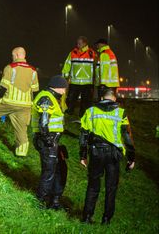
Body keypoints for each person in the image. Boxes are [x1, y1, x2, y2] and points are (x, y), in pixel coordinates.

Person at [79, 87, 135, 224]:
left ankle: (86, 217)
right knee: (111, 188)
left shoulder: (90, 111)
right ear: (115, 99)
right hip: (113, 155)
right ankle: (106, 220)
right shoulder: (121, 113)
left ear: (102, 98)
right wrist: (131, 158)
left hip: (96, 153)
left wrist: (83, 155)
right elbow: (127, 137)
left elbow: (83, 135)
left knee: (93, 186)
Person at [0, 47, 39, 156]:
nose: (12, 58)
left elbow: (2, 87)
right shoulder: (33, 70)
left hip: (9, 102)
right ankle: (21, 152)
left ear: (16, 55)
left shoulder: (10, 68)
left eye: (12, 56)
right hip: (25, 105)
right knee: (22, 129)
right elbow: (35, 89)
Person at [31, 75, 69, 209]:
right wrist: (48, 140)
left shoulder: (51, 97)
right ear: (57, 87)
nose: (64, 92)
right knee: (49, 172)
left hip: (52, 140)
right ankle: (40, 201)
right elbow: (43, 122)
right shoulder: (46, 98)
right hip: (47, 140)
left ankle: (55, 202)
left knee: (58, 170)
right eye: (63, 89)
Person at [62, 36, 96, 116]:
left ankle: (83, 116)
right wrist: (64, 77)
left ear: (85, 43)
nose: (77, 45)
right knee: (70, 99)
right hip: (75, 81)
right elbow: (67, 64)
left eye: (79, 43)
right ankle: (69, 113)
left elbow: (97, 66)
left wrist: (97, 79)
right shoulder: (73, 53)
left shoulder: (92, 53)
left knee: (86, 101)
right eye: (77, 43)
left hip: (87, 83)